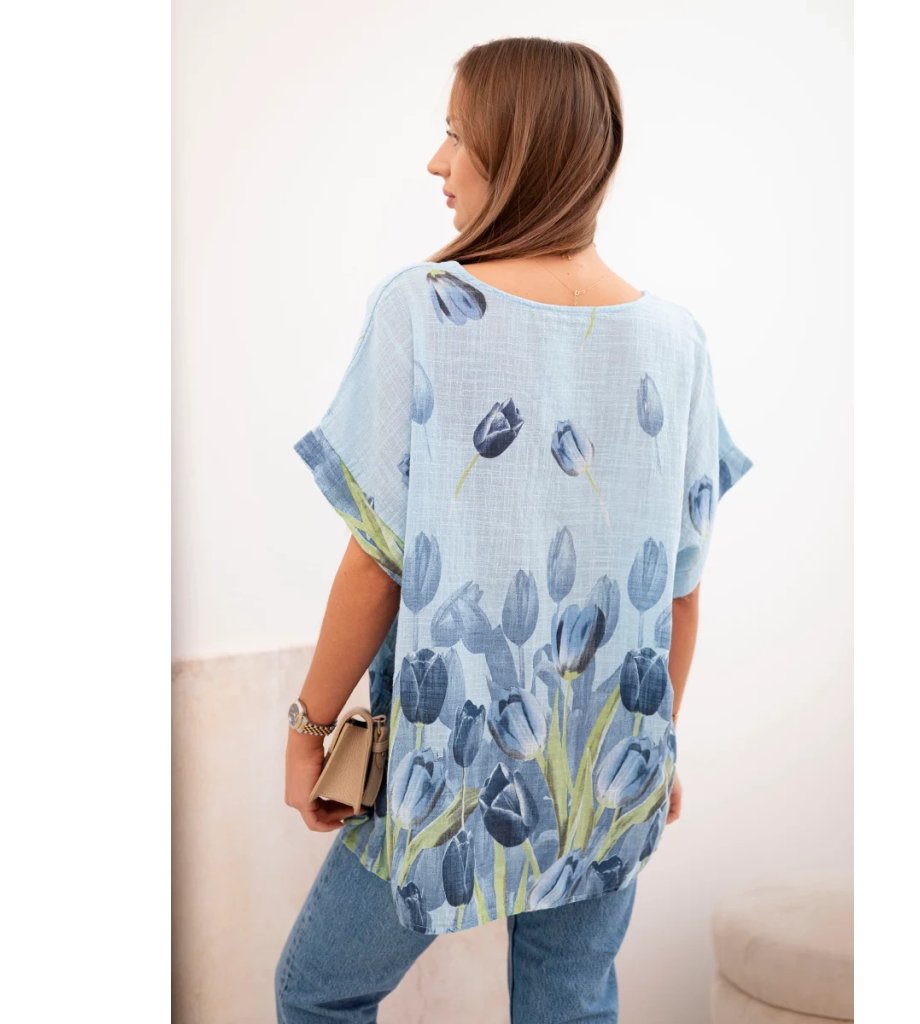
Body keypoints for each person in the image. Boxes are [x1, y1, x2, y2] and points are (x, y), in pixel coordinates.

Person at [275, 36, 753, 1024]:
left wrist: (310, 729)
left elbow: (376, 563)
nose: (436, 162)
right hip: (604, 762)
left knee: (318, 992)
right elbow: (679, 591)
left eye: (457, 134)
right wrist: (653, 742)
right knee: (569, 1004)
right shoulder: (678, 342)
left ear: (519, 147)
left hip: (444, 766)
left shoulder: (422, 310)